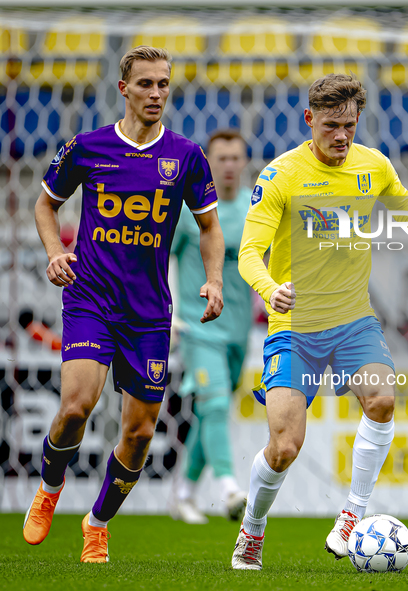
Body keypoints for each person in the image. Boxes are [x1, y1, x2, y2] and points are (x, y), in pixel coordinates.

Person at [231, 73, 408, 570]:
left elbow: (399, 199)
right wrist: (271, 290)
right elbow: (248, 253)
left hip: (354, 322)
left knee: (383, 399)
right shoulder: (281, 175)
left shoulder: (373, 165)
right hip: (295, 326)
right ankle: (253, 529)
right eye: (331, 125)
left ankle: (352, 514)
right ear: (309, 119)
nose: (341, 136)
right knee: (285, 446)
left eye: (350, 125)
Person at [23, 46, 224, 563]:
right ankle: (49, 490)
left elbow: (208, 227)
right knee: (75, 408)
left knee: (136, 435)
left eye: (163, 84)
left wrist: (215, 280)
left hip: (149, 313)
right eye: (146, 84)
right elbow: (45, 203)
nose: (156, 93)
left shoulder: (185, 155)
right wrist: (54, 252)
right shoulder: (87, 147)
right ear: (124, 89)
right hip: (90, 297)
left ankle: (97, 522)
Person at [169, 129, 251, 524]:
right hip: (198, 325)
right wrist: (169, 313)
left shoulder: (256, 211)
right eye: (222, 159)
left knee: (211, 412)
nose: (230, 166)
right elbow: (164, 258)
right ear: (208, 162)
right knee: (215, 403)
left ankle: (184, 492)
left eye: (236, 158)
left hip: (238, 331)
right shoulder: (189, 211)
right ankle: (229, 488)